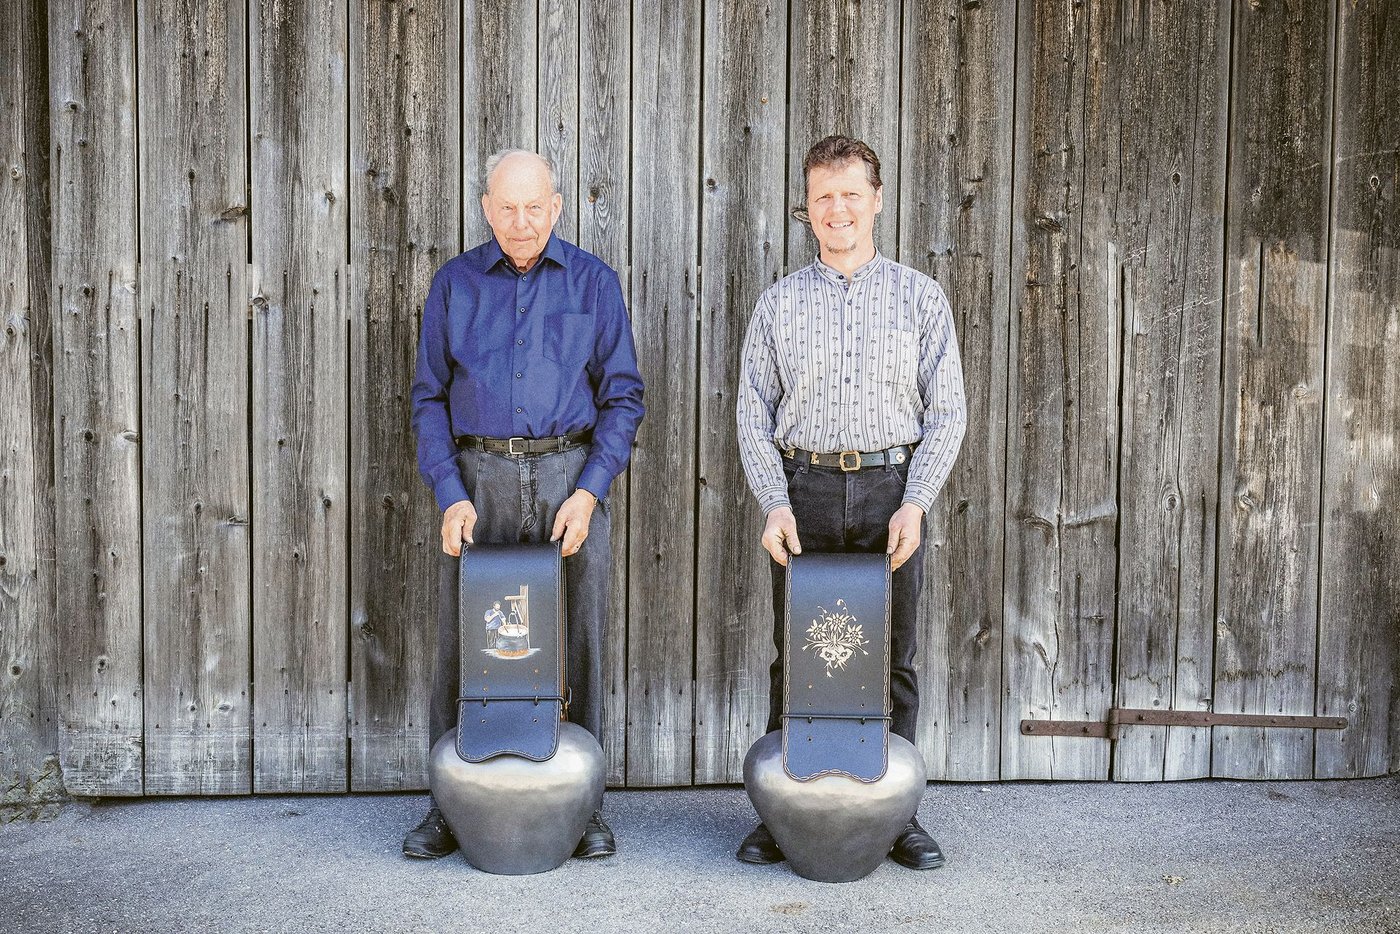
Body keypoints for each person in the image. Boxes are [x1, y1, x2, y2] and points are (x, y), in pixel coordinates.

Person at [735, 135, 967, 870]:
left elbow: (948, 412)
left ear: (875, 200)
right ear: (807, 208)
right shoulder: (778, 304)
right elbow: (751, 409)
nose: (838, 208)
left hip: (889, 493)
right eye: (823, 196)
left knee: (890, 660)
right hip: (801, 493)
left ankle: (897, 817)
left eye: (851, 194)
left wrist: (917, 501)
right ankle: (783, 814)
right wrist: (774, 501)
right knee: (797, 659)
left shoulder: (920, 298)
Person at [405, 150, 644, 860]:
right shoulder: (453, 285)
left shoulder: (595, 284)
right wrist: (449, 492)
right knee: (463, 643)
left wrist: (591, 490)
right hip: (477, 483)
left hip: (571, 481)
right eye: (506, 208)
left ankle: (584, 807)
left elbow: (624, 397)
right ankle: (448, 805)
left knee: (579, 639)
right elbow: (427, 400)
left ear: (557, 206)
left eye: (534, 206)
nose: (520, 222)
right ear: (485, 208)